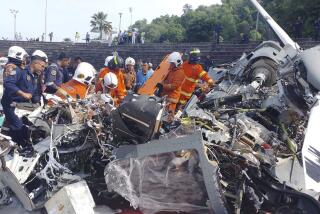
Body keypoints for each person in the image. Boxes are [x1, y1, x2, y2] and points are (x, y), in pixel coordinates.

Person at [1, 50, 47, 149]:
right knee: (18, 127)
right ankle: (18, 148)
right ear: (35, 63)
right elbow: (8, 83)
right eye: (42, 66)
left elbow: (33, 95)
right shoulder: (18, 70)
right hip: (10, 105)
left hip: (22, 107)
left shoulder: (34, 77)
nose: (43, 69)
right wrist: (22, 93)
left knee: (33, 125)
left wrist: (40, 106)